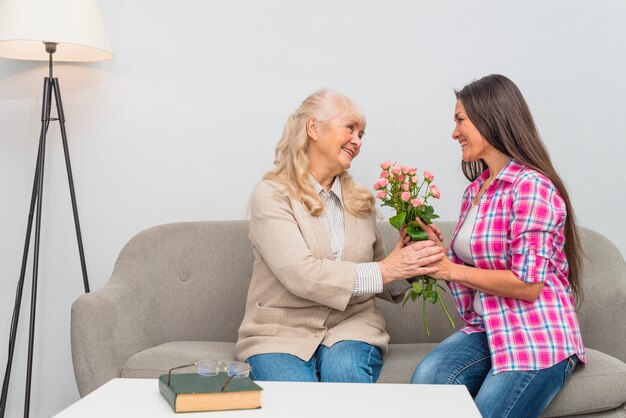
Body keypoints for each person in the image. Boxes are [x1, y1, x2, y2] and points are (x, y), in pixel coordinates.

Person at [236, 89, 445, 383]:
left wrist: (412, 262)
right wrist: (387, 269)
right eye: (350, 128)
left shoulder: (361, 200)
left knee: (345, 373)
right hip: (279, 334)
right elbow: (302, 274)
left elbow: (381, 280)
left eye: (361, 134)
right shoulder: (271, 195)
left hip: (351, 327)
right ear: (313, 128)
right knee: (296, 396)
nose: (357, 141)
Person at [410, 74, 586, 418]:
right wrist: (437, 253)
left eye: (460, 120)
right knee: (428, 381)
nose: (454, 132)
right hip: (488, 327)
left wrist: (451, 268)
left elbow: (528, 284)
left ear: (490, 118)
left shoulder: (532, 188)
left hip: (536, 335)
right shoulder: (476, 190)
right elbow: (473, 269)